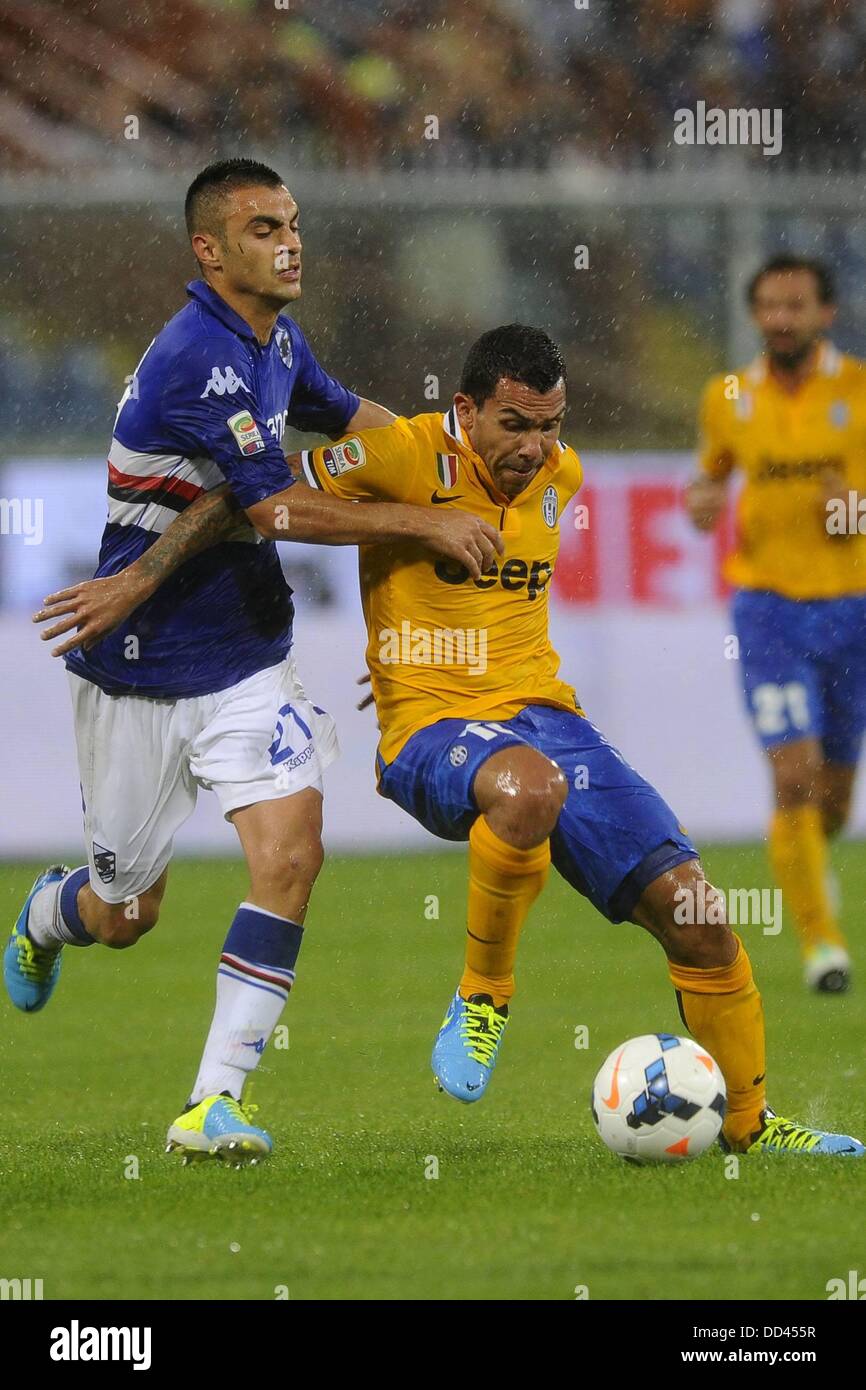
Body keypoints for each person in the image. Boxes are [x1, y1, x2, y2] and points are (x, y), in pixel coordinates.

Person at [67, 322, 863, 1157]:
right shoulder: (403, 455)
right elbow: (254, 502)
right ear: (465, 410)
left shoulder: (565, 476)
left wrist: (427, 637)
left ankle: (749, 1129)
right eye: (515, 425)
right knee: (528, 790)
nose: (536, 447)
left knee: (698, 915)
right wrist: (142, 577)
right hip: (430, 731)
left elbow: (485, 604)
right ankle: (483, 996)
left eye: (551, 425)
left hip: (548, 717)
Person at [7, 158, 501, 1165]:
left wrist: (452, 457)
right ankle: (48, 914)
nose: (291, 241)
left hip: (245, 656)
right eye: (266, 226)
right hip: (137, 667)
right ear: (210, 250)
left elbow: (346, 411)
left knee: (291, 854)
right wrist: (425, 519)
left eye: (294, 223)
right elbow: (268, 505)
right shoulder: (202, 357)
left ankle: (211, 1102)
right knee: (125, 911)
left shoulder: (272, 338)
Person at [686, 255, 866, 994]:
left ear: (826, 312)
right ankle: (821, 944)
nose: (781, 319)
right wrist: (701, 502)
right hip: (766, 611)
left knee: (831, 800)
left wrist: (849, 510)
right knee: (791, 780)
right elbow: (713, 475)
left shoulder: (859, 391)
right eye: (769, 306)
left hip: (850, 608)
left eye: (795, 306)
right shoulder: (726, 396)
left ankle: (810, 873)